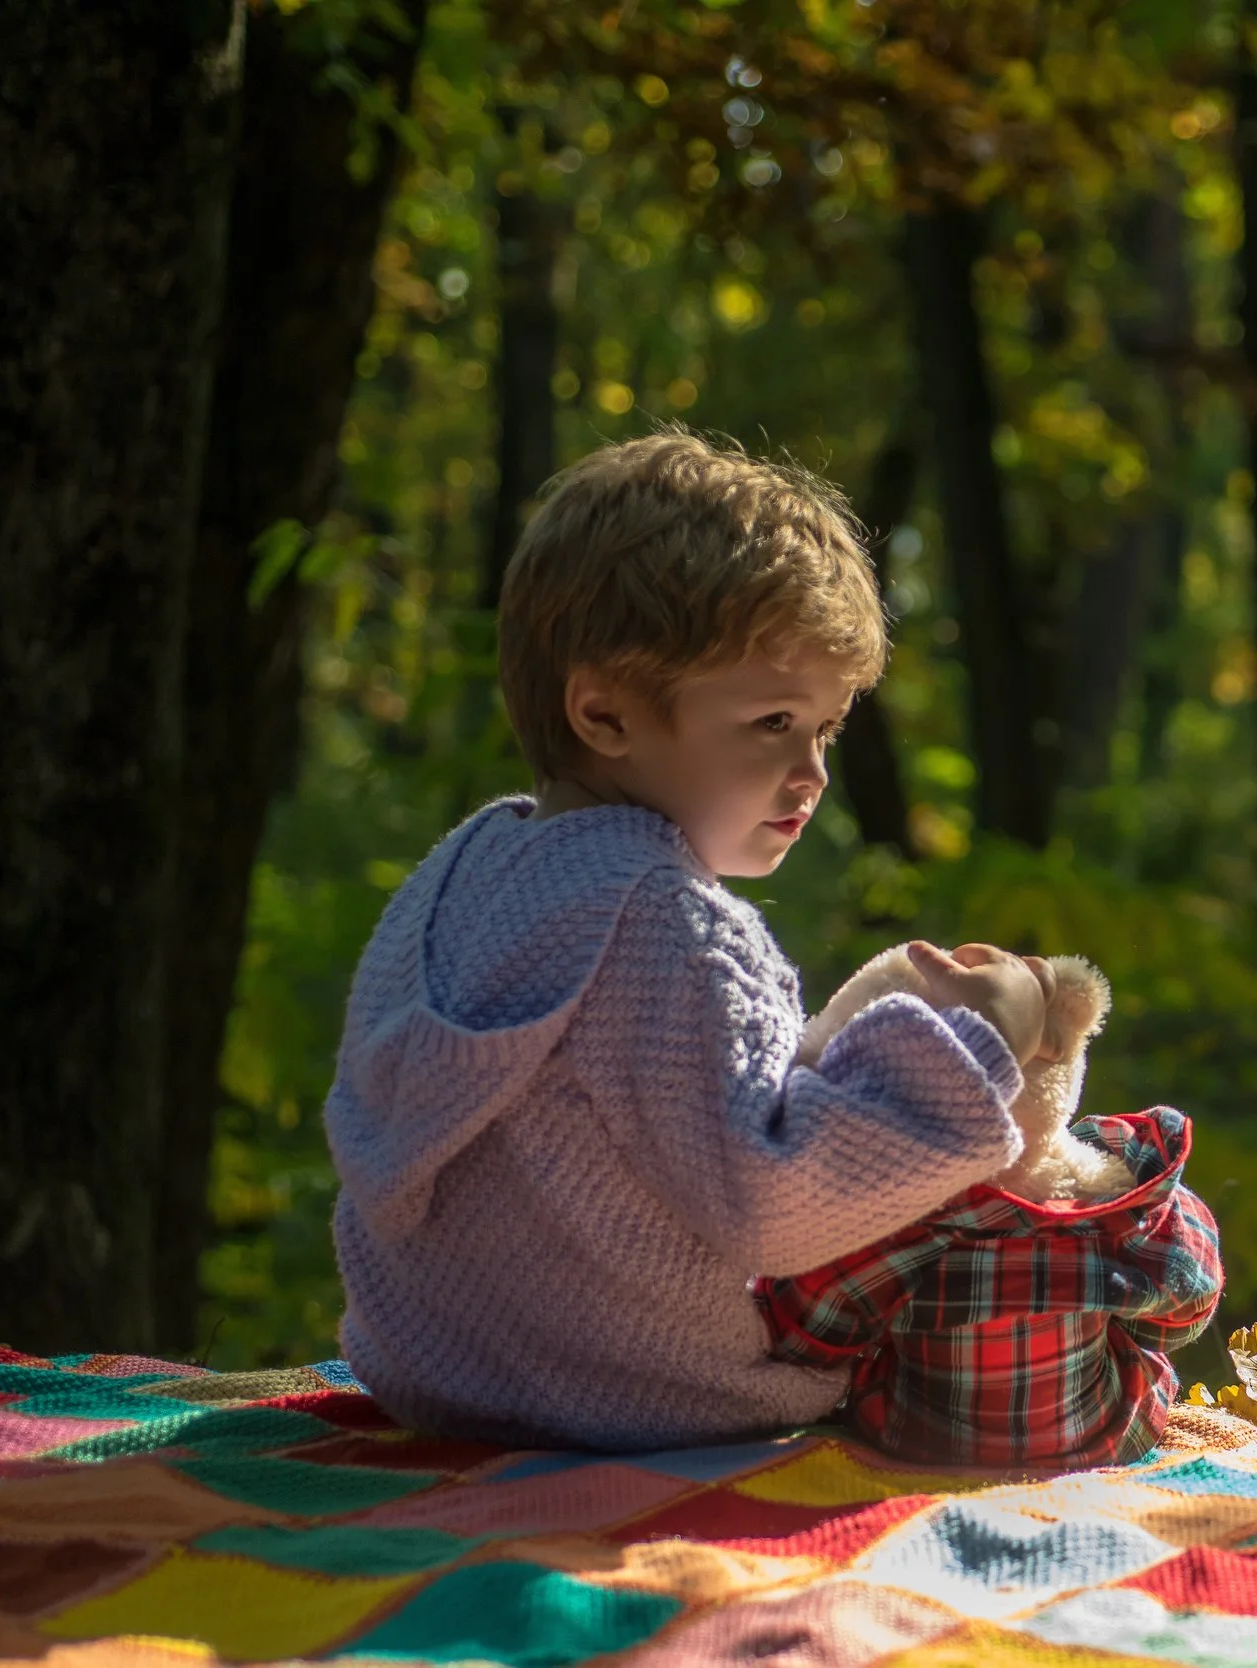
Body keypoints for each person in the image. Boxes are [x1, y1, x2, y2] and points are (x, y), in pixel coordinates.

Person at [323, 430, 1052, 1451]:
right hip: (660, 1397)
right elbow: (773, 1198)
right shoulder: (677, 929)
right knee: (1061, 1229)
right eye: (772, 723)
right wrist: (978, 1049)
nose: (813, 773)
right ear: (604, 714)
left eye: (825, 730)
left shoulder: (462, 874)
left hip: (433, 1374)